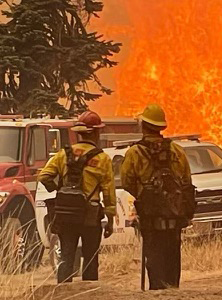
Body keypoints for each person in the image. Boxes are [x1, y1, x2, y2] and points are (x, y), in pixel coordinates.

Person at [121, 104, 194, 290]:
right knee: (172, 255)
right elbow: (186, 181)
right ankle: (173, 289)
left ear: (144, 126)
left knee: (154, 257)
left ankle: (158, 291)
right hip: (174, 216)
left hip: (151, 217)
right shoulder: (177, 151)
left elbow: (127, 182)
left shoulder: (134, 153)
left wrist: (144, 196)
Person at [38, 111, 116, 283]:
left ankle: (64, 295)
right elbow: (109, 192)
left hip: (66, 214)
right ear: (96, 133)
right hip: (91, 214)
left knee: (66, 255)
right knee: (90, 258)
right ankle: (89, 296)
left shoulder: (63, 154)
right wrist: (110, 220)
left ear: (79, 133)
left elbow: (44, 176)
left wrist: (60, 191)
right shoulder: (102, 159)